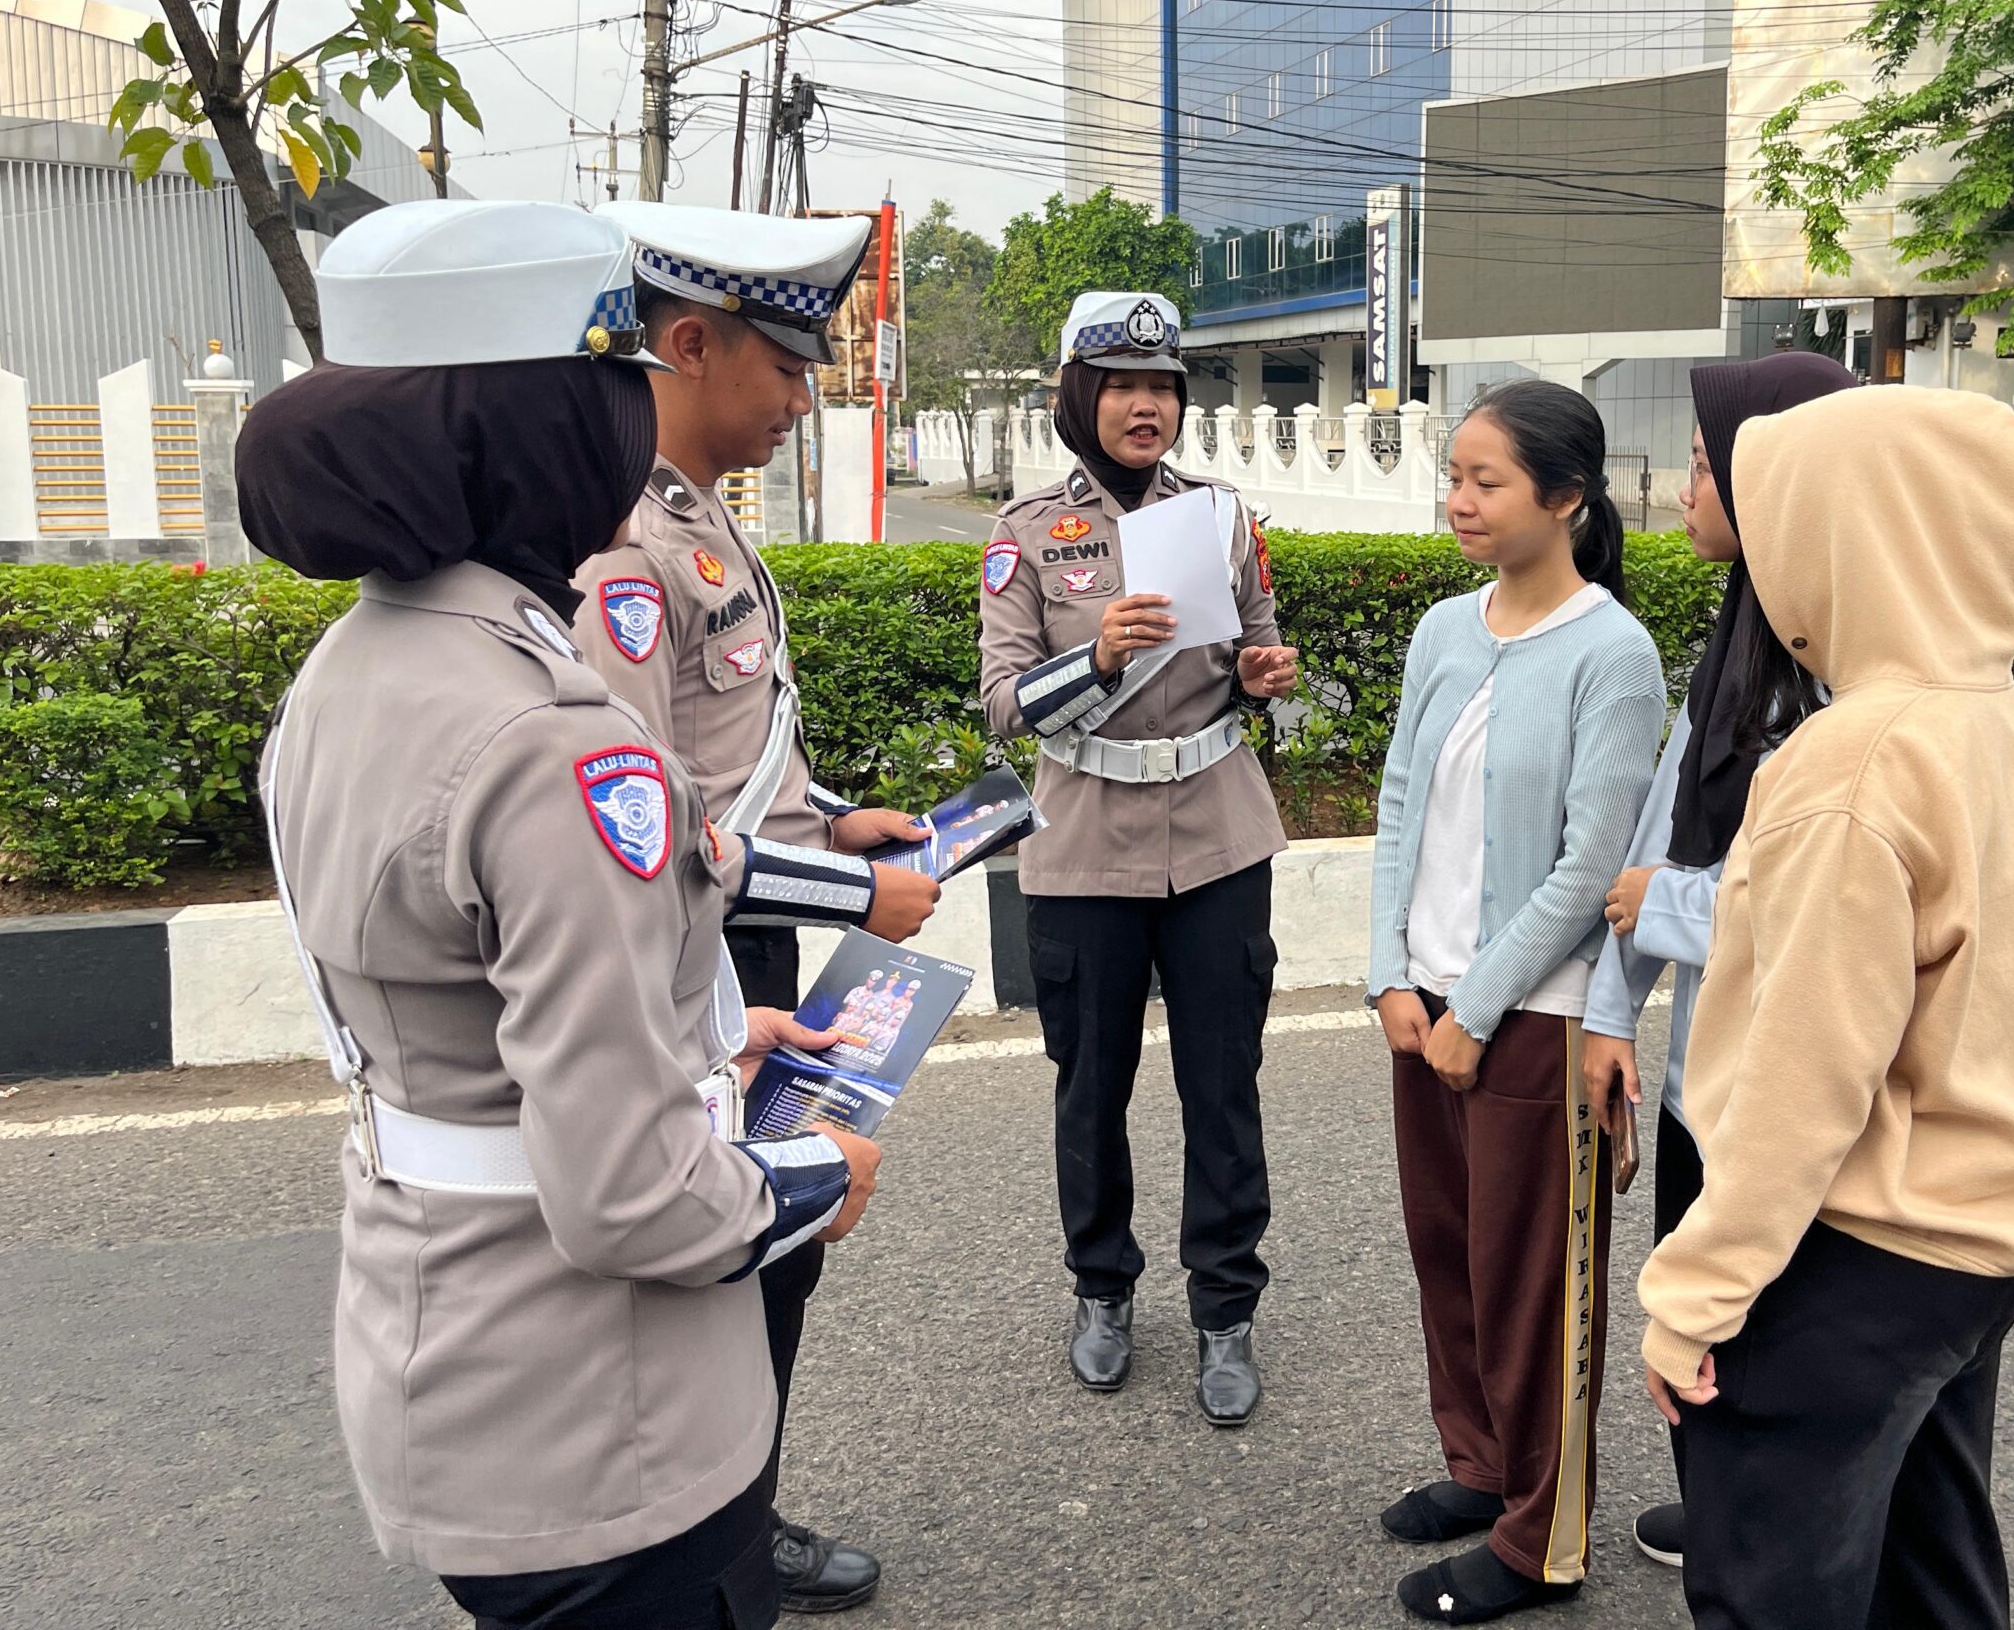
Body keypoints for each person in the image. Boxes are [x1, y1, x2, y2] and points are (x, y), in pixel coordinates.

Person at [236, 199, 900, 1630]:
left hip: (445, 1350)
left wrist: (711, 1066)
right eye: (611, 393)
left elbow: (477, 1031)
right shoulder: (548, 735)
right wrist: (804, 1175)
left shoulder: (353, 669)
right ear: (545, 424)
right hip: (609, 1412)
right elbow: (633, 1199)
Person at [1636, 386, 2014, 1630]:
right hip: (1984, 1236)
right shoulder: (1996, 724)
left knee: (1771, 1595)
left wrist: (1693, 1296)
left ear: (1842, 535)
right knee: (1930, 1569)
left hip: (1855, 1253)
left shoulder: (1850, 761)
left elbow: (1804, 1076)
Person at [570, 202, 942, 1615]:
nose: (804, 398)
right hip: (691, 959)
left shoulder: (696, 507)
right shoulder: (621, 545)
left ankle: (743, 1508)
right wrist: (854, 883)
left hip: (759, 922)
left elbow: (729, 752)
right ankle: (699, 1533)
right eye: (786, 369)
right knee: (715, 1247)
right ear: (685, 344)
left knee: (775, 1245)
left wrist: (834, 816)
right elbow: (643, 833)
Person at [1365, 381, 1669, 1625]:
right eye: (1455, 475)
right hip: (1425, 1003)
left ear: (1566, 498)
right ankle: (1481, 1469)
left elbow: (1590, 868)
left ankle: (1542, 1539)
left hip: (1528, 1018)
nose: (1459, 500)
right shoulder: (1444, 628)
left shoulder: (1614, 653)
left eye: (1486, 481)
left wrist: (1474, 1007)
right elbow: (1395, 805)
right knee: (1450, 1258)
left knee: (1535, 1281)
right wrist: (1390, 970)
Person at [975, 290, 1299, 1425]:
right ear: (1081, 396)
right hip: (1081, 845)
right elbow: (1003, 707)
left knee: (1223, 1088)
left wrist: (1267, 675)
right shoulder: (1025, 533)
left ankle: (1225, 1309)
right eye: (1122, 385)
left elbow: (1256, 643)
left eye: (1162, 385)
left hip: (1217, 833)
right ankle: (1102, 1289)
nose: (1146, 405)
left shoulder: (1218, 515)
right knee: (1091, 1089)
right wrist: (1099, 657)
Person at [1576, 351, 1858, 1572]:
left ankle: (1764, 1531)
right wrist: (1607, 1022)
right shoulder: (1738, 645)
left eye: (1708, 465)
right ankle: (1723, 1497)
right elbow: (1651, 850)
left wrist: (1668, 909)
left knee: (1774, 1315)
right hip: (1705, 1075)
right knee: (1695, 1303)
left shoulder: (1848, 673)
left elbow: (1818, 907)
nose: (1687, 488)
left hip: (1790, 1087)